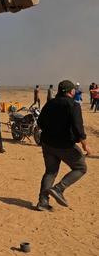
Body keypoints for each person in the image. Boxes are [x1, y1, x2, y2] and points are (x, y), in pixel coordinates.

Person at [35, 80, 91, 211]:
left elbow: (40, 122)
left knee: (50, 172)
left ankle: (42, 202)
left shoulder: (50, 103)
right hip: (65, 145)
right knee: (81, 167)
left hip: (47, 144)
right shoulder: (73, 105)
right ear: (71, 91)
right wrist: (85, 145)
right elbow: (78, 127)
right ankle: (59, 189)